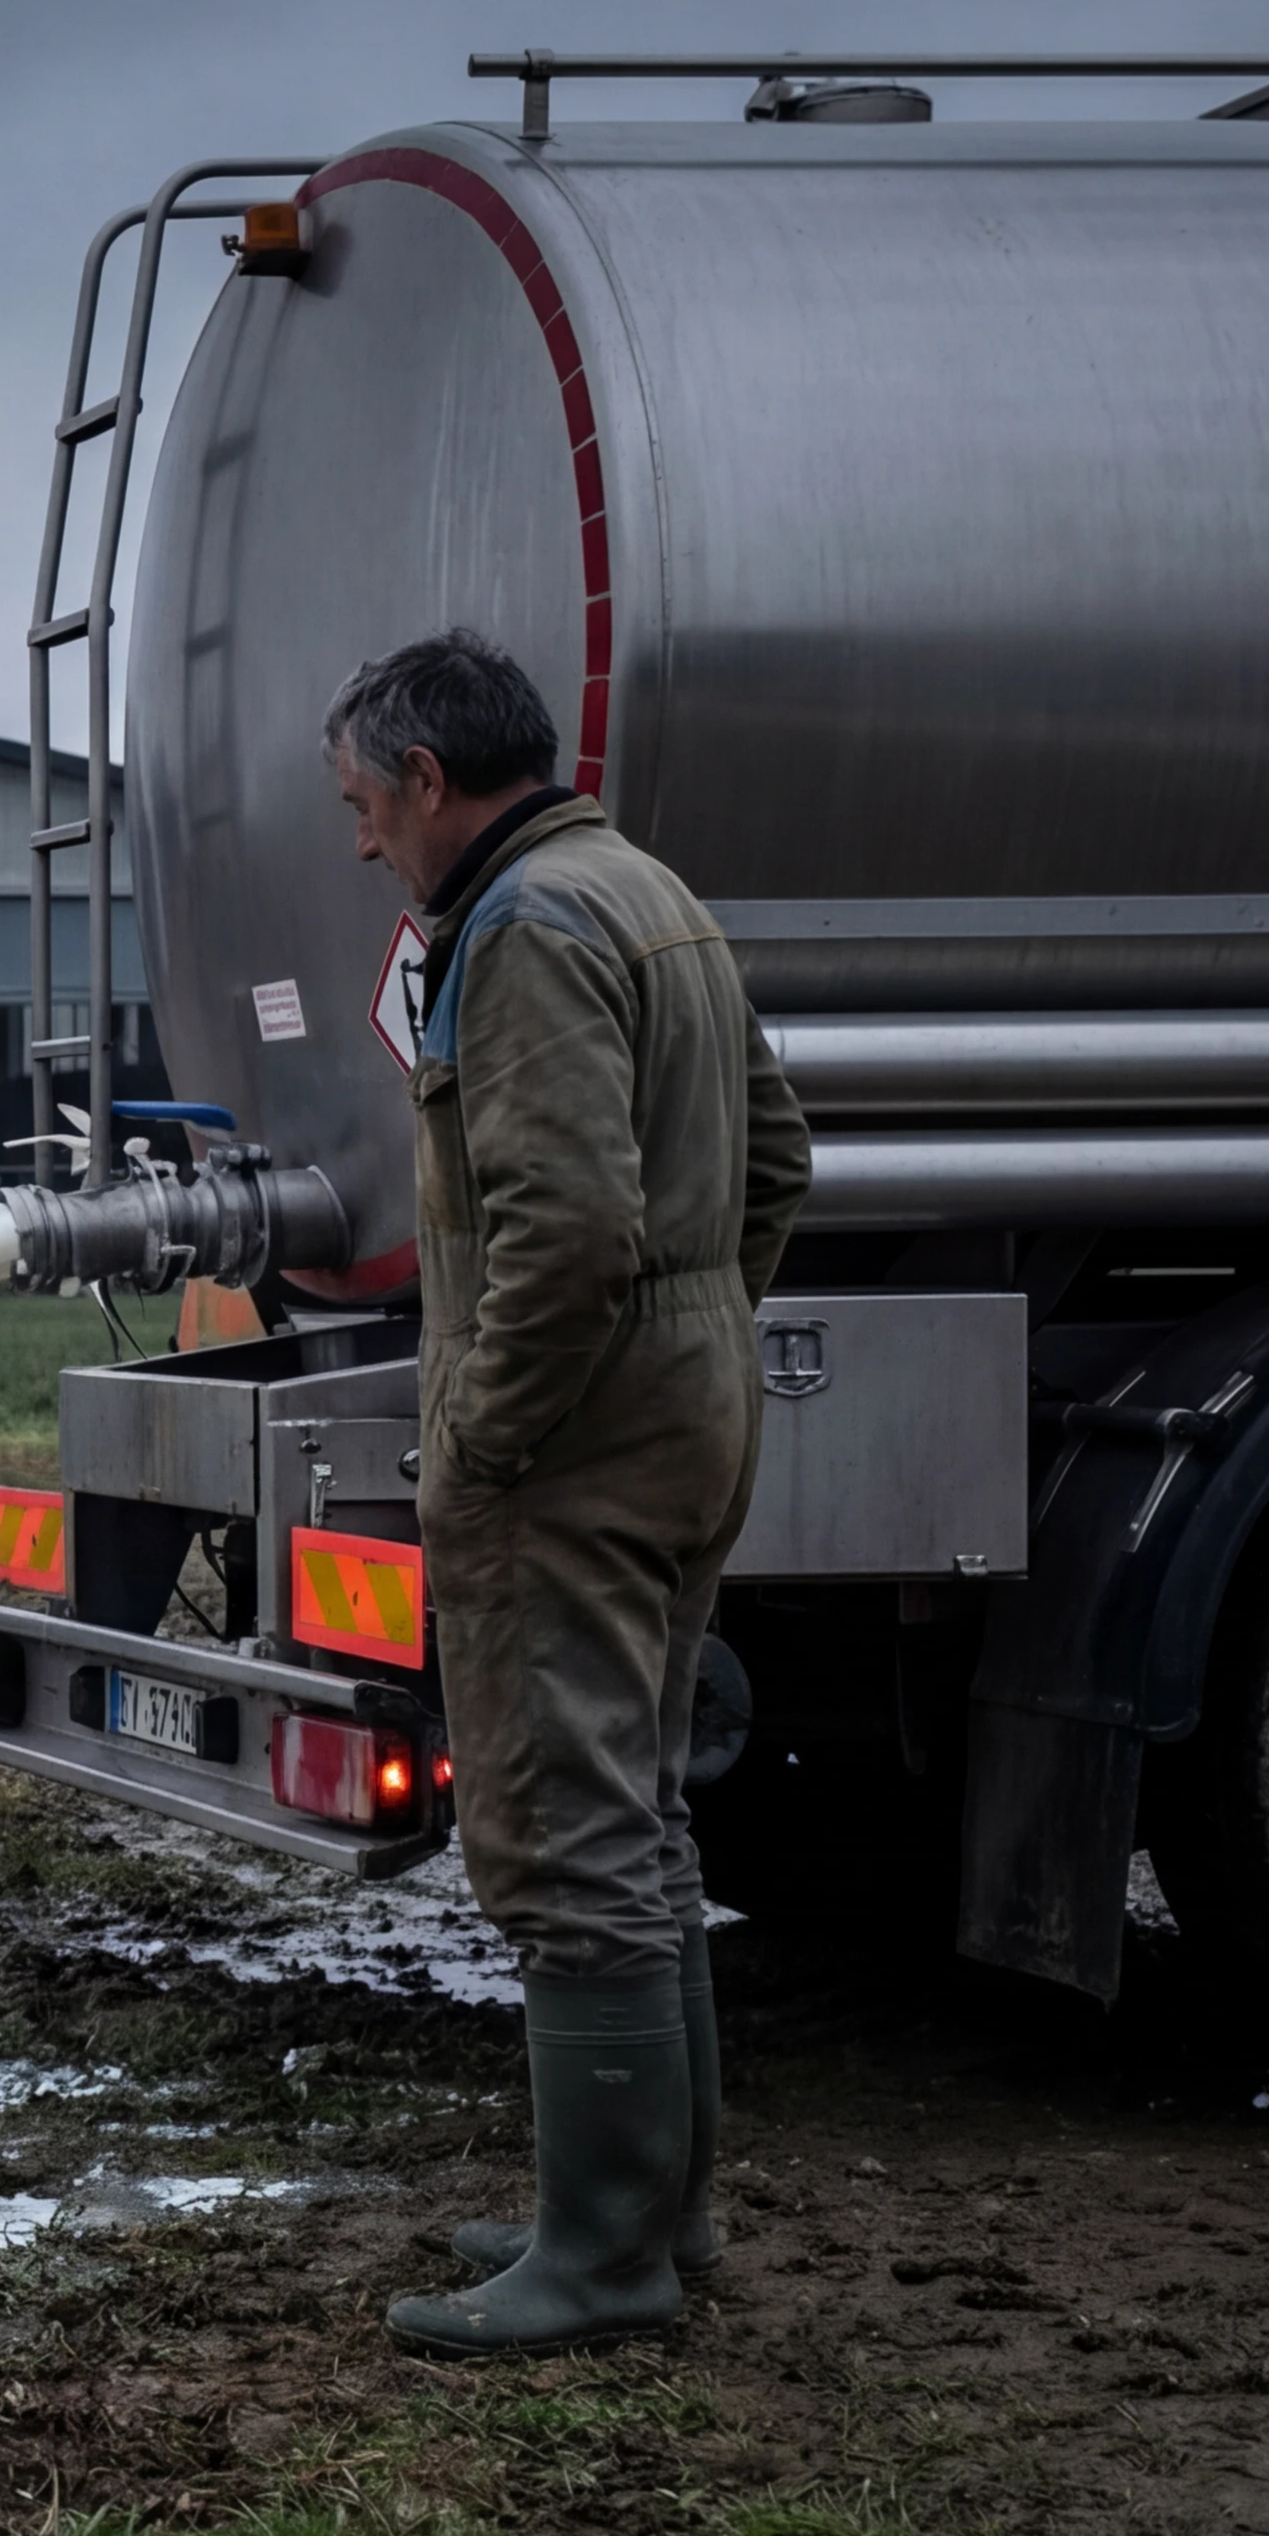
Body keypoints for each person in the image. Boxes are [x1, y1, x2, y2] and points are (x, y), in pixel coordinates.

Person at [323, 632, 813, 2357]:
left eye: (369, 806)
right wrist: (702, 1332)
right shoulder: (648, 891)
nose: (366, 841)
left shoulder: (523, 932)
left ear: (435, 784)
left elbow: (570, 1233)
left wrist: (485, 1437)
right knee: (647, 1809)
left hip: (575, 1431)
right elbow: (778, 1158)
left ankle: (603, 2258)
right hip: (687, 1398)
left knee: (564, 1827)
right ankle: (649, 2218)